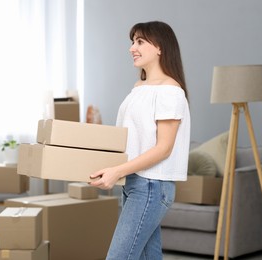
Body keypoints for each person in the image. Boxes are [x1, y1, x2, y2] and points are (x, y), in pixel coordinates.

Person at [89, 21, 190, 260]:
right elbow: (132, 138)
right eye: (132, 41)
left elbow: (164, 149)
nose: (132, 47)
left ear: (160, 48)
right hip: (135, 183)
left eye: (140, 41)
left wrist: (117, 171)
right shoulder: (140, 87)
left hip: (151, 186)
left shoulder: (170, 91)